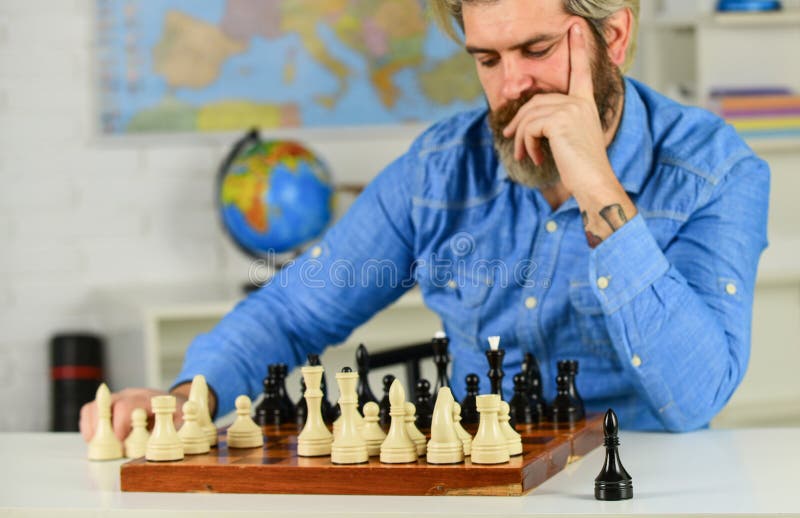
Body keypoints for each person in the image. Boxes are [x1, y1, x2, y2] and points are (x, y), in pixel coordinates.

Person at [80, 0, 769, 440]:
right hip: (477, 478)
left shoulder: (719, 171)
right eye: (488, 60)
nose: (511, 88)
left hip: (647, 489)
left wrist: (600, 194)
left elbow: (696, 396)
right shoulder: (439, 169)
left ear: (612, 36)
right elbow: (294, 314)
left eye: (535, 51)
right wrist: (183, 398)